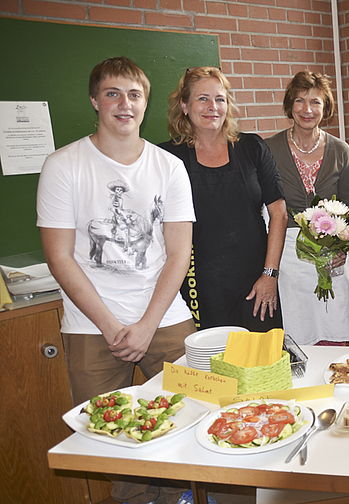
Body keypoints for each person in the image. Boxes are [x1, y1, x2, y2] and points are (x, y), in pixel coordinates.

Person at [37, 57, 198, 504]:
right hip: (92, 327)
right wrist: (111, 326)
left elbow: (178, 252)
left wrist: (146, 325)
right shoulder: (63, 165)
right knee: (112, 442)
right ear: (95, 100)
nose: (123, 104)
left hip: (165, 319)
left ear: (145, 103)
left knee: (189, 422)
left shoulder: (169, 167)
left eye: (134, 95)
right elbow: (59, 257)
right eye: (112, 93)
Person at [159, 67, 287, 332]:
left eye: (220, 99)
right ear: (184, 105)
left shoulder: (252, 147)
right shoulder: (167, 158)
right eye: (202, 99)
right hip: (196, 285)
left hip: (256, 284)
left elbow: (279, 213)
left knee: (262, 364)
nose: (212, 107)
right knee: (209, 368)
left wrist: (270, 275)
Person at [266, 70, 349, 345]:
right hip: (288, 256)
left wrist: (342, 250)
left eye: (315, 102)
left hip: (331, 256)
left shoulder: (340, 149)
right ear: (289, 105)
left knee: (335, 329)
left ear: (325, 107)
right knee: (297, 332)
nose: (307, 109)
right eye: (300, 101)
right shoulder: (269, 148)